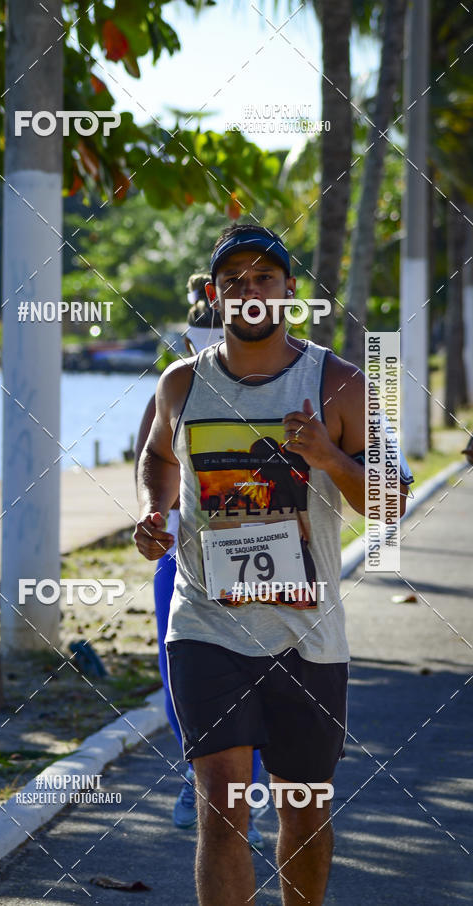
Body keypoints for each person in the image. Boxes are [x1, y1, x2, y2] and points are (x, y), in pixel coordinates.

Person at [134, 224, 413, 906]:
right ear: (213, 297)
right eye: (234, 282)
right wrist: (156, 510)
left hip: (308, 636)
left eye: (264, 279)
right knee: (223, 810)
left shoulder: (341, 384)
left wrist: (328, 457)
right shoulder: (181, 386)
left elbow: (391, 499)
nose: (250, 292)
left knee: (305, 812)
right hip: (205, 628)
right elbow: (158, 455)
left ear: (290, 292)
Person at [135, 274, 265, 847]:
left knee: (259, 676)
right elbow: (149, 464)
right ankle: (196, 778)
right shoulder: (174, 389)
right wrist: (152, 516)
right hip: (185, 564)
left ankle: (247, 803)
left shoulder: (277, 387)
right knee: (182, 678)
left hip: (262, 558)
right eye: (201, 338)